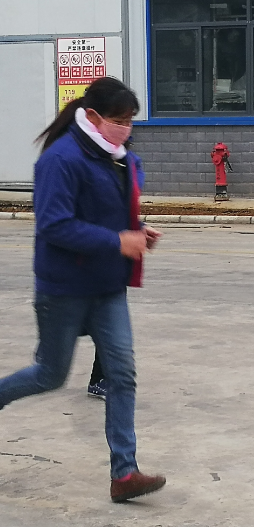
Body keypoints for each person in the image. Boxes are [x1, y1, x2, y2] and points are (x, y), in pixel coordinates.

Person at [0, 77, 166, 503]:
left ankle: (124, 473)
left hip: (107, 285)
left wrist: (137, 230)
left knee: (122, 374)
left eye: (130, 120)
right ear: (92, 116)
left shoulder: (118, 157)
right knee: (50, 374)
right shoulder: (61, 159)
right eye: (119, 119)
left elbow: (111, 211)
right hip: (65, 286)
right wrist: (118, 241)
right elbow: (54, 225)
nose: (126, 128)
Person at [87, 146, 146, 400]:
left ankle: (103, 379)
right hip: (86, 260)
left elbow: (124, 210)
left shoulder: (129, 163)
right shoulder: (74, 161)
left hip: (112, 264)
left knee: (110, 328)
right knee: (51, 368)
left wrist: (139, 230)